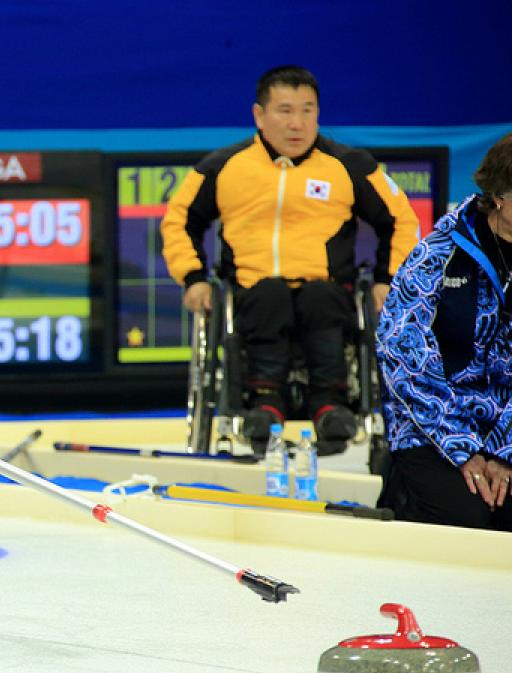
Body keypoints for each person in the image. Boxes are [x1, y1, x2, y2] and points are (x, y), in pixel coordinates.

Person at [161, 65, 420, 454]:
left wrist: (388, 278)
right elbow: (179, 220)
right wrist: (193, 277)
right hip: (254, 294)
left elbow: (401, 219)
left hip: (328, 294)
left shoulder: (350, 165)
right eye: (284, 110)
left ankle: (330, 404)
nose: (297, 123)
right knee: (270, 295)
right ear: (259, 115)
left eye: (307, 110)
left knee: (321, 297)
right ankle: (266, 402)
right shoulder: (223, 167)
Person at [376, 133, 512, 529]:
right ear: (499, 196)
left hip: (506, 427)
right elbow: (402, 353)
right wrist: (463, 449)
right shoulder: (439, 253)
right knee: (466, 519)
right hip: (434, 427)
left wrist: (504, 451)